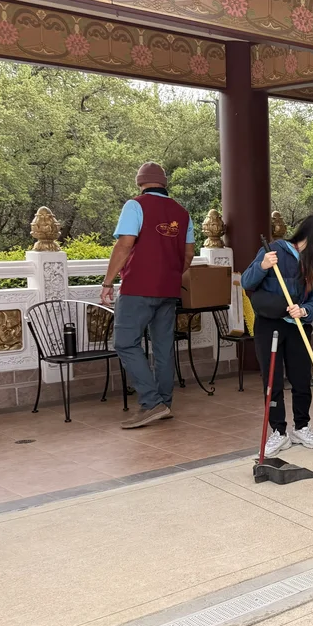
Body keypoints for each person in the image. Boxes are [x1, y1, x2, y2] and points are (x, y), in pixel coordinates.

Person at [102, 162, 194, 429]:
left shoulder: (135, 205)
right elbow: (188, 255)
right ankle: (164, 403)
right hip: (169, 289)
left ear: (140, 183)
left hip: (138, 288)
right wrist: (170, 273)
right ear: (164, 183)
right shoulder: (182, 212)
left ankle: (151, 403)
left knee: (125, 343)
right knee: (163, 347)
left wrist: (108, 282)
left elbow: (124, 244)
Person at [241, 215, 313, 457]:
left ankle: (302, 427)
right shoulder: (275, 251)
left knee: (301, 379)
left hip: (298, 325)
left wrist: (304, 310)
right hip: (269, 324)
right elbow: (247, 282)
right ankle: (278, 432)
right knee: (273, 380)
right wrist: (263, 266)